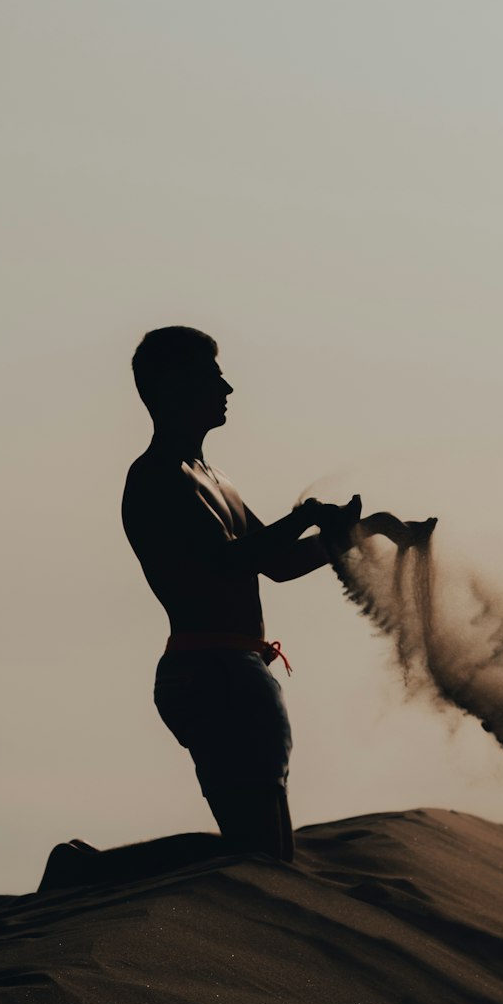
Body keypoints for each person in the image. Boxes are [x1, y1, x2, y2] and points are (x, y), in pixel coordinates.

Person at [121, 326, 360, 861]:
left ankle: (93, 871)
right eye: (210, 375)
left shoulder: (215, 477)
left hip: (241, 671)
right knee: (260, 858)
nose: (226, 388)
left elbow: (275, 564)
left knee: (269, 855)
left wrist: (341, 540)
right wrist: (303, 518)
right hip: (210, 673)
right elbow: (229, 560)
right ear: (169, 384)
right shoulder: (158, 477)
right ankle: (88, 873)